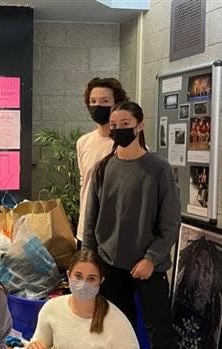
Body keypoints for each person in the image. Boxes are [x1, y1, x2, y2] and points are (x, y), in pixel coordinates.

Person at [83, 101, 181, 348]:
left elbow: (170, 223)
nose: (118, 129)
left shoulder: (159, 169)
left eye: (125, 124)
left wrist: (151, 258)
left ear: (140, 126)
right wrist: (88, 257)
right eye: (114, 125)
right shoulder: (102, 168)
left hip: (149, 267)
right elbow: (90, 220)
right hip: (110, 264)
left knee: (159, 331)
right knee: (116, 330)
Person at [28, 250, 139, 349]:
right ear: (68, 275)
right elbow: (39, 343)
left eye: (91, 278)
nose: (83, 284)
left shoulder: (117, 322)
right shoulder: (51, 308)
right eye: (78, 276)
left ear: (101, 281)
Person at [76, 77, 129, 248]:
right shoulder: (83, 143)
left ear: (117, 103)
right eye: (93, 101)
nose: (98, 106)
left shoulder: (130, 145)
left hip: (118, 233)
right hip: (87, 231)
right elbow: (84, 182)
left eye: (105, 101)